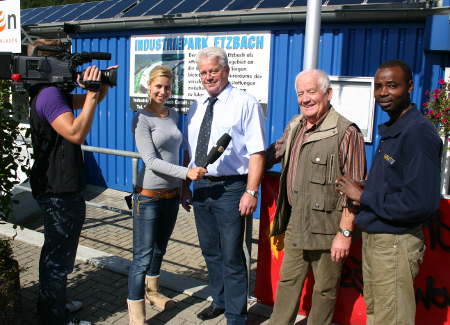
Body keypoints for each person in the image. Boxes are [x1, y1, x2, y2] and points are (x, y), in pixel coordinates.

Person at [335, 59, 442, 325]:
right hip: (379, 239)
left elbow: (420, 203)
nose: (383, 93)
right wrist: (366, 186)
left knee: (391, 319)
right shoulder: (396, 126)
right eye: (378, 86)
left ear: (409, 86)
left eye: (392, 85)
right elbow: (397, 184)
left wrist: (364, 196)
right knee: (379, 313)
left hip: (395, 242)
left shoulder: (418, 134)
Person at [265, 69, 367, 325]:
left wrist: (344, 234)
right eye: (301, 93)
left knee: (324, 291)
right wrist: (242, 168)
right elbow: (271, 154)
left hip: (328, 230)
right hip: (295, 224)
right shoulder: (295, 125)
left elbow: (354, 191)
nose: (305, 99)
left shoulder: (346, 132)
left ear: (328, 94)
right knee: (287, 283)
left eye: (312, 92)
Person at [28, 39, 117, 325]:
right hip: (59, 189)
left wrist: (100, 85)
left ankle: (52, 304)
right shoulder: (50, 95)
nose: (71, 67)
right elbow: (76, 134)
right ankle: (56, 318)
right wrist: (91, 95)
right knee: (59, 259)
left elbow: (91, 100)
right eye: (66, 61)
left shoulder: (49, 92)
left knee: (56, 254)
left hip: (58, 185)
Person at [181, 47, 266, 324]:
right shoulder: (196, 106)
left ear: (226, 71)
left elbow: (257, 153)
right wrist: (185, 186)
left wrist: (251, 191)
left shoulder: (246, 103)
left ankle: (235, 316)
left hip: (231, 190)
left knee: (231, 256)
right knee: (210, 251)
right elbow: (189, 150)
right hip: (201, 187)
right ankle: (219, 302)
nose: (208, 77)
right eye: (203, 72)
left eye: (213, 71)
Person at [127, 65, 207, 324]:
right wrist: (188, 173)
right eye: (158, 86)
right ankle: (136, 314)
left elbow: (182, 148)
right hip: (148, 196)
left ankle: (153, 293)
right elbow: (150, 160)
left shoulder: (173, 114)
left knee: (159, 250)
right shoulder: (141, 119)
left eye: (168, 87)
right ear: (148, 87)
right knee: (141, 257)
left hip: (172, 196)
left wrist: (184, 187)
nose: (163, 91)